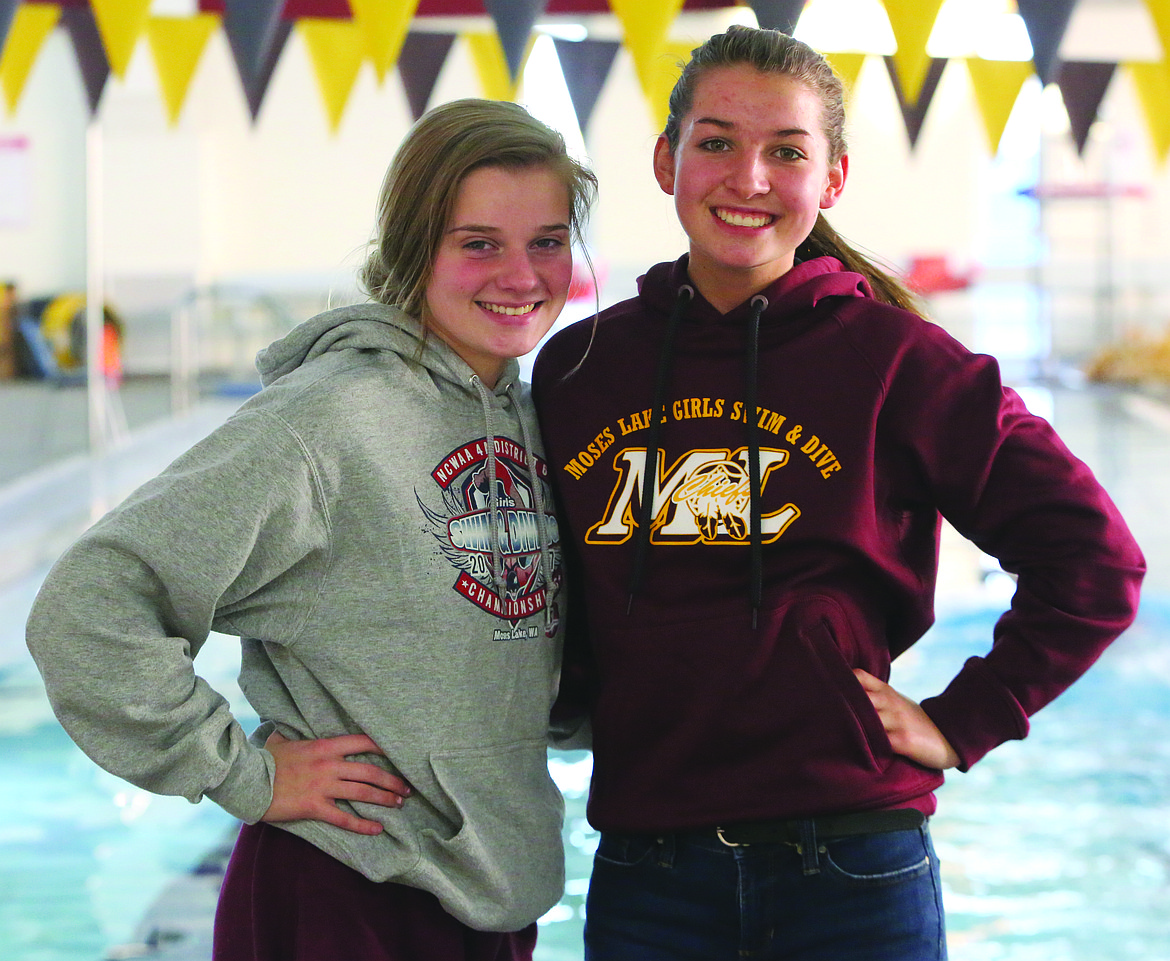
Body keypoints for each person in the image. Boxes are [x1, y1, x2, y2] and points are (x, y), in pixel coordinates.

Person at [532, 25, 1145, 961]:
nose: (749, 178)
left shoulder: (894, 359)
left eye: (787, 151)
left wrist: (964, 718)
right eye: (716, 142)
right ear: (666, 161)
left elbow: (1096, 561)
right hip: (648, 870)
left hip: (851, 865)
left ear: (833, 179)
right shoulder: (582, 368)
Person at [26, 98, 597, 961]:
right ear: (412, 248)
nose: (520, 275)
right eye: (479, 243)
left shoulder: (527, 414)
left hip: (487, 889)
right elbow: (89, 604)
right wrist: (242, 773)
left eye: (547, 241)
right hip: (344, 889)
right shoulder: (328, 418)